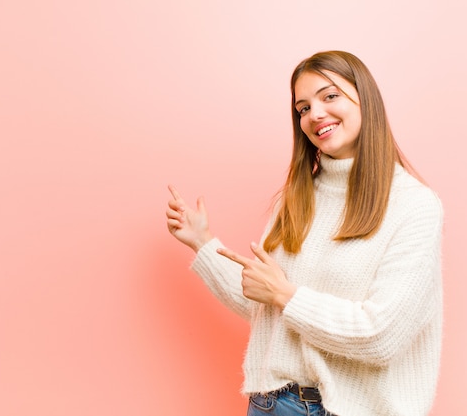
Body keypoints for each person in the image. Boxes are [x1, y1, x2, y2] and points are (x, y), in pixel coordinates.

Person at [165, 50, 444, 416]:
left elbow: (381, 335)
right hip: (272, 405)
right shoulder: (297, 198)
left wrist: (285, 294)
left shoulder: (414, 206)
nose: (315, 115)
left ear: (366, 100)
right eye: (303, 108)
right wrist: (202, 243)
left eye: (329, 96)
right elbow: (266, 305)